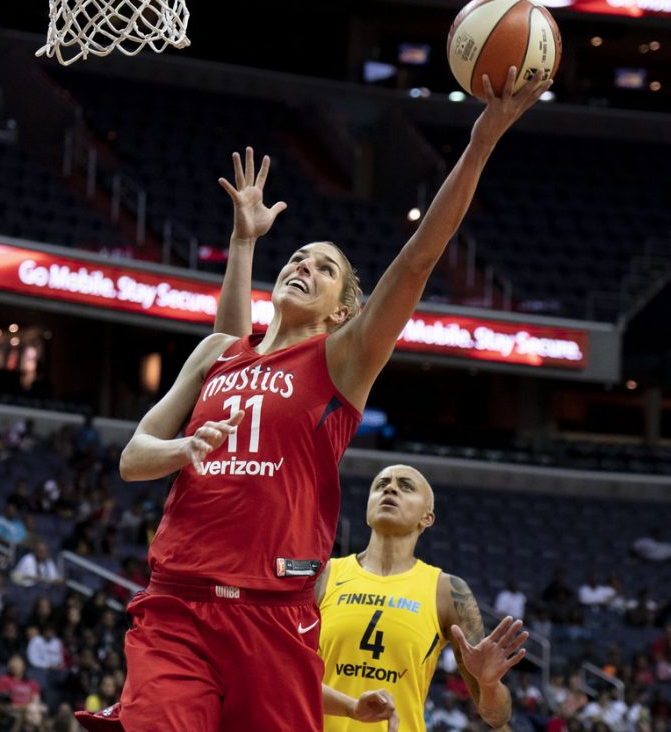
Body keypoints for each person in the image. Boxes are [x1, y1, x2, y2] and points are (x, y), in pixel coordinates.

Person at [76, 70, 549, 732]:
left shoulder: (339, 361)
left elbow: (417, 260)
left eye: (326, 268)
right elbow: (133, 457)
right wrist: (185, 446)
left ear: (344, 310)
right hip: (178, 605)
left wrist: (480, 142)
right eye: (297, 256)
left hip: (275, 614)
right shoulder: (217, 354)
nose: (304, 265)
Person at [317, 465, 527, 732]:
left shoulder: (447, 591)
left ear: (427, 518)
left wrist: (489, 685)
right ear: (368, 509)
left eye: (405, 486)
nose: (390, 488)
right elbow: (287, 679)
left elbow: (496, 718)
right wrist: (351, 706)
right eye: (381, 485)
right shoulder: (323, 576)